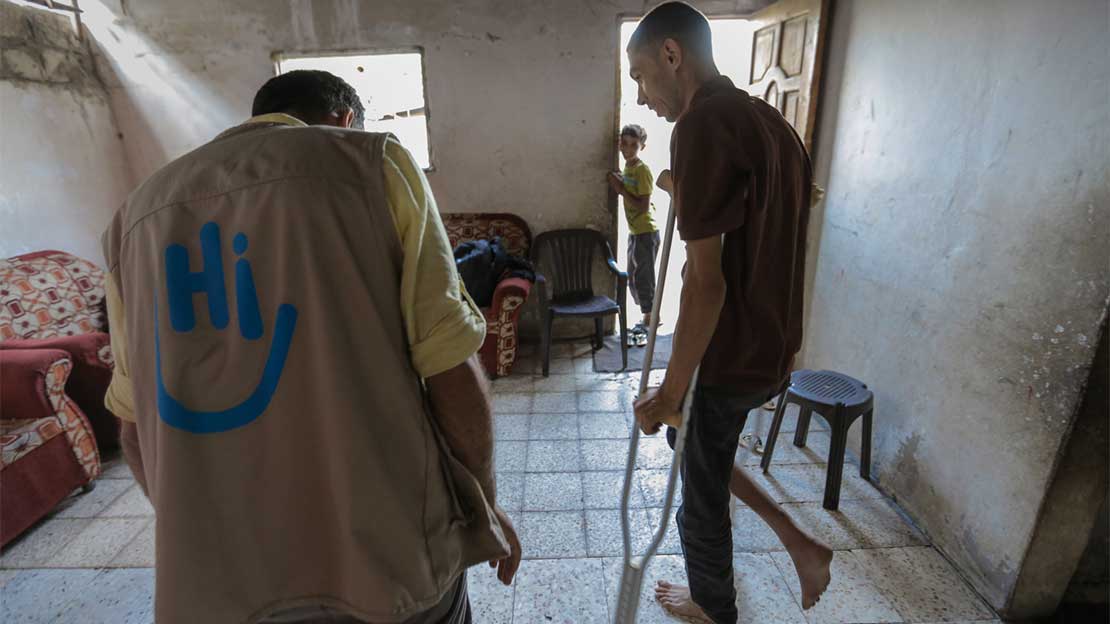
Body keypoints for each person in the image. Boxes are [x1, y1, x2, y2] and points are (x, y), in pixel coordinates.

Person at [102, 69, 521, 624]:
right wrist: (484, 501)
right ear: (345, 120)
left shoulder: (134, 216)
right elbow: (449, 365)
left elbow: (134, 425)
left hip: (225, 584)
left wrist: (200, 535)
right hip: (386, 556)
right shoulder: (371, 164)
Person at [626, 3, 833, 623]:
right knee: (705, 450)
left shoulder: (700, 125)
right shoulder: (770, 121)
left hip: (729, 349)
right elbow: (788, 203)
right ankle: (801, 543)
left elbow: (706, 285)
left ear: (671, 54)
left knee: (700, 490)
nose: (640, 97)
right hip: (773, 345)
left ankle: (714, 608)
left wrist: (671, 386)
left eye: (639, 74)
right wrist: (682, 188)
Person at [607, 124, 660, 346]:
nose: (628, 149)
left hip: (646, 232)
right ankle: (650, 313)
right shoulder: (628, 168)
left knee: (644, 277)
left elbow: (643, 206)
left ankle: (651, 319)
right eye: (624, 143)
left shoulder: (642, 170)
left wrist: (620, 189)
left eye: (633, 145)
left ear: (642, 147)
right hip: (636, 232)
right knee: (633, 276)